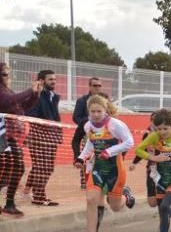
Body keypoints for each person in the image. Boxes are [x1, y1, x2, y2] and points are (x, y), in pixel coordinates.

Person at [75, 94, 135, 232]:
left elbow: (130, 142)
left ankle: (126, 196)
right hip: (98, 168)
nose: (95, 114)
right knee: (91, 199)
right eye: (92, 111)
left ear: (105, 110)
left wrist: (110, 151)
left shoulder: (115, 125)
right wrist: (81, 158)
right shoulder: (88, 126)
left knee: (115, 206)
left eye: (98, 111)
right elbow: (90, 144)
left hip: (115, 170)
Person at [0, 62, 41, 217]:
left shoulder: (6, 90)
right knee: (14, 167)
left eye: (8, 74)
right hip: (3, 136)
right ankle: (9, 203)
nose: (7, 77)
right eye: (4, 74)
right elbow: (9, 102)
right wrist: (29, 90)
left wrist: (35, 94)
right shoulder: (1, 92)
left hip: (12, 136)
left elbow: (23, 106)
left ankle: (9, 203)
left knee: (14, 168)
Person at [24, 70, 63, 206]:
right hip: (38, 137)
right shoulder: (36, 95)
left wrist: (58, 135)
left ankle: (28, 191)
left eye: (55, 79)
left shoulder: (54, 96)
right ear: (41, 81)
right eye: (50, 79)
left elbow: (55, 118)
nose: (53, 81)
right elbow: (29, 113)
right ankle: (39, 197)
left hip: (51, 137)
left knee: (45, 167)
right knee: (42, 167)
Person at [72, 77, 104, 189]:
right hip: (88, 133)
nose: (98, 88)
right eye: (95, 85)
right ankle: (85, 180)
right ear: (90, 86)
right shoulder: (82, 100)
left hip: (104, 133)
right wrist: (88, 123)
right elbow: (76, 117)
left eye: (99, 86)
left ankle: (100, 180)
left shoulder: (105, 99)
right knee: (87, 156)